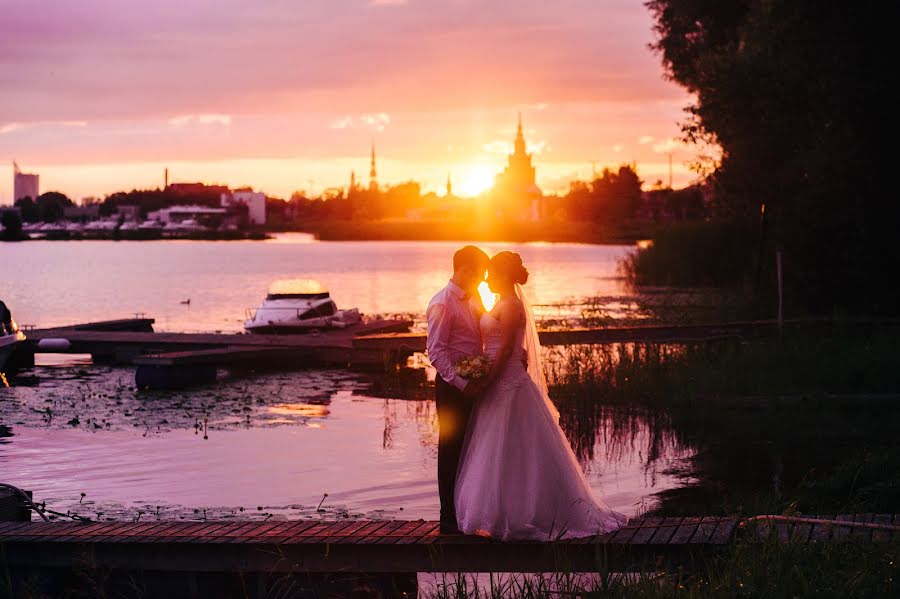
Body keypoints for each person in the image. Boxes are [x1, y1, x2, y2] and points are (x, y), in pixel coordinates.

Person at [454, 251, 627, 540]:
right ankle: (501, 513)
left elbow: (507, 349)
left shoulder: (511, 306)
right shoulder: (499, 302)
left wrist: (488, 380)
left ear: (504, 275)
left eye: (491, 273)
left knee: (514, 449)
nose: (486, 278)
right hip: (499, 380)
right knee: (498, 450)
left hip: (507, 382)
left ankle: (527, 513)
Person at [425, 245, 490, 534]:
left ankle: (468, 513)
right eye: (480, 273)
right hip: (453, 388)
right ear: (465, 269)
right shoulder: (442, 303)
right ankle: (447, 518)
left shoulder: (475, 297)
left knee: (473, 447)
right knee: (450, 448)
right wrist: (463, 384)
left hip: (475, 384)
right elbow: (436, 353)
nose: (482, 279)